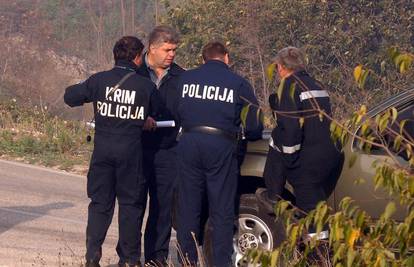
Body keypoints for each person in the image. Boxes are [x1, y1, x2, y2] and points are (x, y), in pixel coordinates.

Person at [64, 36, 160, 267]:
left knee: (99, 205)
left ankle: (92, 257)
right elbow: (157, 111)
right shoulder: (146, 86)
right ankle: (129, 260)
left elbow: (70, 97)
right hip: (131, 155)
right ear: (138, 58)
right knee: (130, 207)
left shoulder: (98, 80)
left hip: (103, 154)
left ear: (115, 55)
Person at [176, 41, 263, 266]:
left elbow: (174, 111)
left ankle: (186, 261)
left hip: (189, 143)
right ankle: (221, 262)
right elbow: (254, 126)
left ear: (203, 59)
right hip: (221, 146)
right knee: (222, 211)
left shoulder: (185, 79)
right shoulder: (238, 83)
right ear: (226, 57)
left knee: (188, 208)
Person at [257, 46, 344, 231]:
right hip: (329, 157)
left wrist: (291, 162)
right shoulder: (317, 85)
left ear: (281, 67)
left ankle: (319, 256)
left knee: (313, 216)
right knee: (318, 208)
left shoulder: (288, 88)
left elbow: (290, 129)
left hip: (308, 164)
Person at [136, 26, 185, 266]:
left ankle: (157, 259)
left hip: (168, 152)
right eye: (167, 50)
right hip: (136, 150)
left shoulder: (181, 77)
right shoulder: (134, 73)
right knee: (133, 206)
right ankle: (130, 257)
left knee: (162, 208)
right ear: (152, 48)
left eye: (174, 50)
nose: (171, 54)